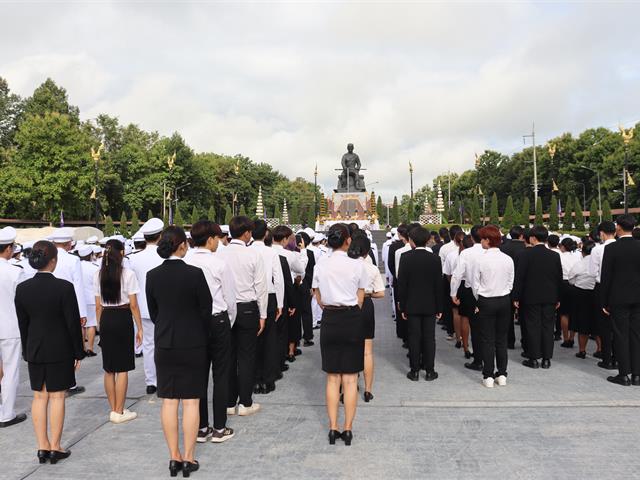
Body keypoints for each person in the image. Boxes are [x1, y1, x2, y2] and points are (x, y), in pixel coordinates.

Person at [146, 226, 213, 477]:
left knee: (170, 401)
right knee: (192, 400)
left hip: (165, 342)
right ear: (182, 245)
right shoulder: (195, 274)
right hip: (193, 341)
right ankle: (189, 457)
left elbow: (154, 312)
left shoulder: (152, 276)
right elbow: (206, 309)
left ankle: (174, 456)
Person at [15, 241, 85, 464]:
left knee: (39, 396)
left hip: (35, 346)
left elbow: (23, 323)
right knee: (57, 396)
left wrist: (27, 350)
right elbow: (72, 323)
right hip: (60, 347)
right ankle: (55, 446)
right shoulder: (64, 287)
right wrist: (78, 351)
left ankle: (42, 446)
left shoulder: (23, 289)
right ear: (53, 261)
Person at [313, 223, 367, 446]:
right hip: (352, 318)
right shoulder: (357, 265)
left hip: (331, 319)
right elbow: (361, 296)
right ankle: (348, 429)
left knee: (333, 377)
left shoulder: (321, 265)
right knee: (350, 378)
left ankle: (333, 427)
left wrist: (328, 307)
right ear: (347, 240)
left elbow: (317, 295)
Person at [186, 221, 236, 444]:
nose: (219, 242)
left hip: (195, 323)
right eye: (217, 238)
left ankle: (201, 426)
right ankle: (219, 427)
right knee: (221, 374)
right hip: (218, 320)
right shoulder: (219, 264)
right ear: (210, 239)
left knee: (198, 376)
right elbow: (230, 299)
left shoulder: (186, 261)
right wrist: (228, 322)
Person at [217, 216, 268, 417]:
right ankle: (245, 402)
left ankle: (229, 402)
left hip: (225, 308)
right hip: (247, 309)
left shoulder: (220, 254)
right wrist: (263, 314)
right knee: (246, 357)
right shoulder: (253, 255)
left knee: (228, 357)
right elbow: (261, 287)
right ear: (247, 233)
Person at [94, 239, 143, 424]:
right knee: (122, 368)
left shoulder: (98, 275)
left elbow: (98, 306)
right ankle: (120, 411)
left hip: (106, 318)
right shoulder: (128, 274)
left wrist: (100, 326)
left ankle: (113, 408)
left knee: (109, 368)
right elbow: (134, 304)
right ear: (121, 253)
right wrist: (139, 327)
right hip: (122, 318)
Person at [512, 226, 563, 370]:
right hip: (550, 296)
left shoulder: (525, 255)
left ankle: (533, 358)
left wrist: (516, 296)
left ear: (533, 238)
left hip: (530, 296)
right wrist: (558, 297)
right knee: (548, 327)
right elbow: (559, 278)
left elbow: (519, 278)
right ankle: (546, 359)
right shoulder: (554, 255)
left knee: (532, 326)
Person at [398, 226, 443, 382]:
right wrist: (439, 306)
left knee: (414, 337)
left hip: (411, 304)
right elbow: (439, 285)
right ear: (428, 240)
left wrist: (401, 305)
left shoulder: (405, 258)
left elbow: (402, 284)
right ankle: (430, 370)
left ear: (411, 241)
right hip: (430, 304)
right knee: (429, 338)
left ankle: (414, 371)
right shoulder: (435, 259)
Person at [471, 226, 514, 388]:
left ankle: (488, 375)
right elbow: (511, 282)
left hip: (486, 300)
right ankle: (502, 374)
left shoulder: (480, 260)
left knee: (487, 339)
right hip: (504, 300)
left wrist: (479, 299)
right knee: (501, 339)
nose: (481, 241)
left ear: (488, 241)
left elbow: (475, 284)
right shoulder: (507, 259)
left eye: (482, 239)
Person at [600, 214, 640, 386]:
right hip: (638, 297)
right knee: (637, 335)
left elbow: (606, 277)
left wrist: (604, 301)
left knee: (621, 335)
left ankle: (624, 374)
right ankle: (637, 375)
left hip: (618, 298)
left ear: (618, 228)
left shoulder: (611, 249)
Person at [129, 217, 165, 395]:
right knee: (164, 344)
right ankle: (165, 377)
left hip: (142, 308)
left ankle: (151, 381)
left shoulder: (135, 259)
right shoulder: (162, 255)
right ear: (160, 236)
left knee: (149, 346)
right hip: (163, 307)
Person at [50, 228, 87, 397]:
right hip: (69, 305)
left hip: (49, 305)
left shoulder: (48, 256)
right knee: (70, 345)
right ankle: (69, 383)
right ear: (68, 243)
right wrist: (82, 313)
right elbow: (78, 287)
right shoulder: (73, 260)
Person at [348, 234, 384, 401]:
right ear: (368, 251)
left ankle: (349, 386)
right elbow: (381, 293)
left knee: (349, 348)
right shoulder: (372, 268)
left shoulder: (346, 265)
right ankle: (368, 390)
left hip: (348, 306)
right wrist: (369, 294)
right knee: (367, 351)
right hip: (367, 305)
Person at [249, 220, 283, 395]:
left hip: (250, 298)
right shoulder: (270, 252)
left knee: (252, 341)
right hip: (269, 297)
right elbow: (278, 280)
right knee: (269, 339)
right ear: (266, 235)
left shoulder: (247, 251)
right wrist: (280, 303)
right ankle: (267, 380)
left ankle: (253, 380)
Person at [0, 227, 27, 429]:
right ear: (9, 249)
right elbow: (24, 303)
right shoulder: (15, 272)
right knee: (10, 371)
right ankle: (6, 414)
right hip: (9, 327)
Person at [451, 226, 485, 370]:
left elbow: (457, 275)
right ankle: (486, 355)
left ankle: (467, 348)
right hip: (488, 290)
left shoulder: (466, 253)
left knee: (466, 318)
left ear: (471, 237)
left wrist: (453, 293)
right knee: (484, 324)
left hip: (468, 289)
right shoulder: (489, 251)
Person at [589, 221, 617, 370]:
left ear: (601, 233)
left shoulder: (598, 249)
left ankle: (607, 358)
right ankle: (618, 357)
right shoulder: (620, 247)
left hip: (601, 288)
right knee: (619, 325)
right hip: (620, 289)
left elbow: (593, 273)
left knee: (604, 326)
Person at [567, 240, 597, 359]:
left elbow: (571, 279)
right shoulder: (599, 263)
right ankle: (600, 349)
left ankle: (582, 350)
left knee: (582, 323)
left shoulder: (580, 264)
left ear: (583, 252)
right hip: (596, 292)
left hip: (581, 293)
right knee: (597, 322)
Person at [500, 226, 526, 349]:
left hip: (506, 284)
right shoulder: (526, 248)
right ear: (521, 235)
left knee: (507, 316)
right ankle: (526, 341)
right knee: (526, 316)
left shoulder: (503, 248)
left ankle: (509, 341)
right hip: (524, 285)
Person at [558, 237, 580, 348]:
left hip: (564, 284)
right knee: (574, 313)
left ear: (562, 246)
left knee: (564, 313)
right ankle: (572, 338)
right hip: (576, 284)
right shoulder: (577, 256)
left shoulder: (560, 256)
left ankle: (566, 338)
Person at [78, 245, 99, 356]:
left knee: (81, 324)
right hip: (91, 298)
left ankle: (82, 348)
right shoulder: (94, 267)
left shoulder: (77, 266)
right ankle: (90, 348)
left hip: (79, 298)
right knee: (91, 324)